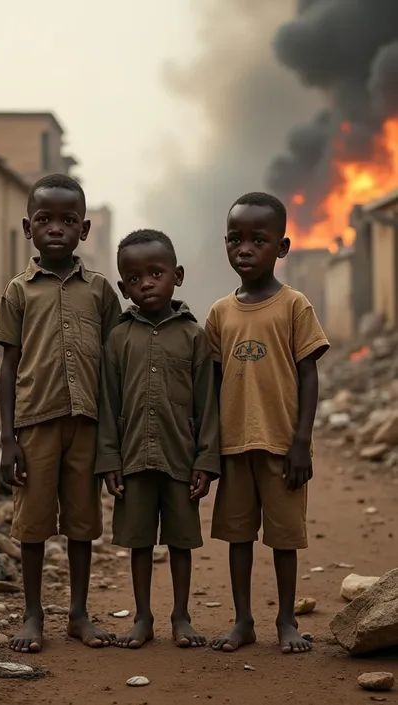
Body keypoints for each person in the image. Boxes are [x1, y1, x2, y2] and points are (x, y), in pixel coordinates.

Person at [0, 173, 121, 653]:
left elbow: (113, 363)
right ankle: (32, 614)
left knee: (83, 522)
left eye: (68, 221)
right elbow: (8, 366)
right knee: (33, 524)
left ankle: (79, 614)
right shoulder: (19, 291)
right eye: (44, 220)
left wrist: (115, 433)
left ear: (84, 230)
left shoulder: (101, 292)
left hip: (86, 424)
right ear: (28, 228)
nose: (56, 229)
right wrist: (8, 439)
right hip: (34, 425)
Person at [205, 192, 329, 655]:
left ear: (282, 247)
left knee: (282, 538)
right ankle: (243, 621)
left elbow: (308, 374)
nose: (245, 248)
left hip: (281, 445)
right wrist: (209, 446)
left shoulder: (294, 305)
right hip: (235, 446)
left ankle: (286, 620)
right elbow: (213, 382)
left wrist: (301, 441)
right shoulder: (219, 312)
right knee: (238, 536)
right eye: (235, 239)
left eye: (258, 240)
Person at [96, 229, 220, 649]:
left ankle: (181, 616)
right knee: (140, 543)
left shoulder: (194, 336)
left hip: (180, 457)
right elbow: (108, 404)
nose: (145, 283)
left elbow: (208, 404)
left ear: (177, 275)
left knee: (181, 542)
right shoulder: (117, 339)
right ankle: (143, 617)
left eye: (155, 273)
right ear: (122, 287)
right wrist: (108, 459)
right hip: (131, 459)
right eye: (133, 278)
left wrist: (206, 459)